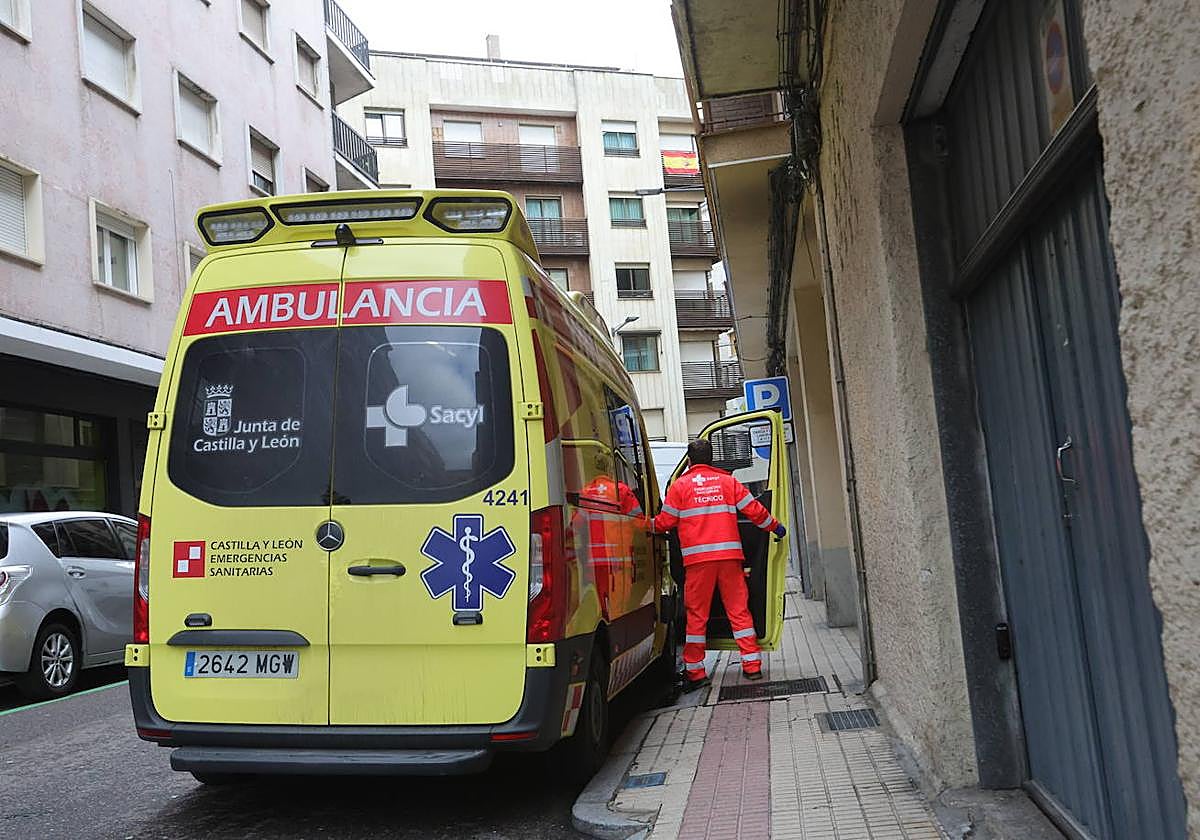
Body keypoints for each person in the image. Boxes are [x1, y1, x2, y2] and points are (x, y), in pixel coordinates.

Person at [652, 439, 785, 688]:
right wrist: (775, 527)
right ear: (712, 459)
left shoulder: (680, 486)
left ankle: (696, 671)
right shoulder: (728, 482)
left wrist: (646, 526)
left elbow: (666, 522)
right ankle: (752, 666)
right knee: (739, 610)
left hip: (698, 563)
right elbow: (754, 510)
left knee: (697, 616)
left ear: (689, 461)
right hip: (729, 559)